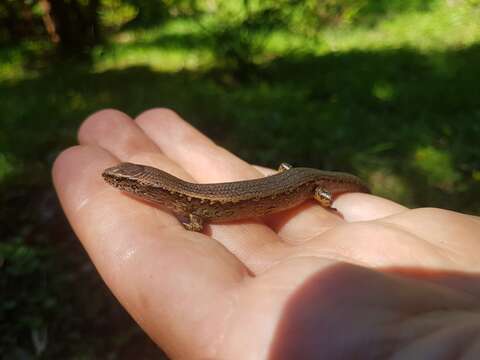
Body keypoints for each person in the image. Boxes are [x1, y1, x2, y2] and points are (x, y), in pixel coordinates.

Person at [53, 108, 480, 359]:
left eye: (127, 182)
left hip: (305, 184)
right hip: (290, 180)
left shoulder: (189, 205)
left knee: (320, 193)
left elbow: (197, 222)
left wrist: (321, 193)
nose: (119, 183)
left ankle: (318, 191)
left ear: (151, 187)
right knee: (295, 180)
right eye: (123, 181)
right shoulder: (185, 196)